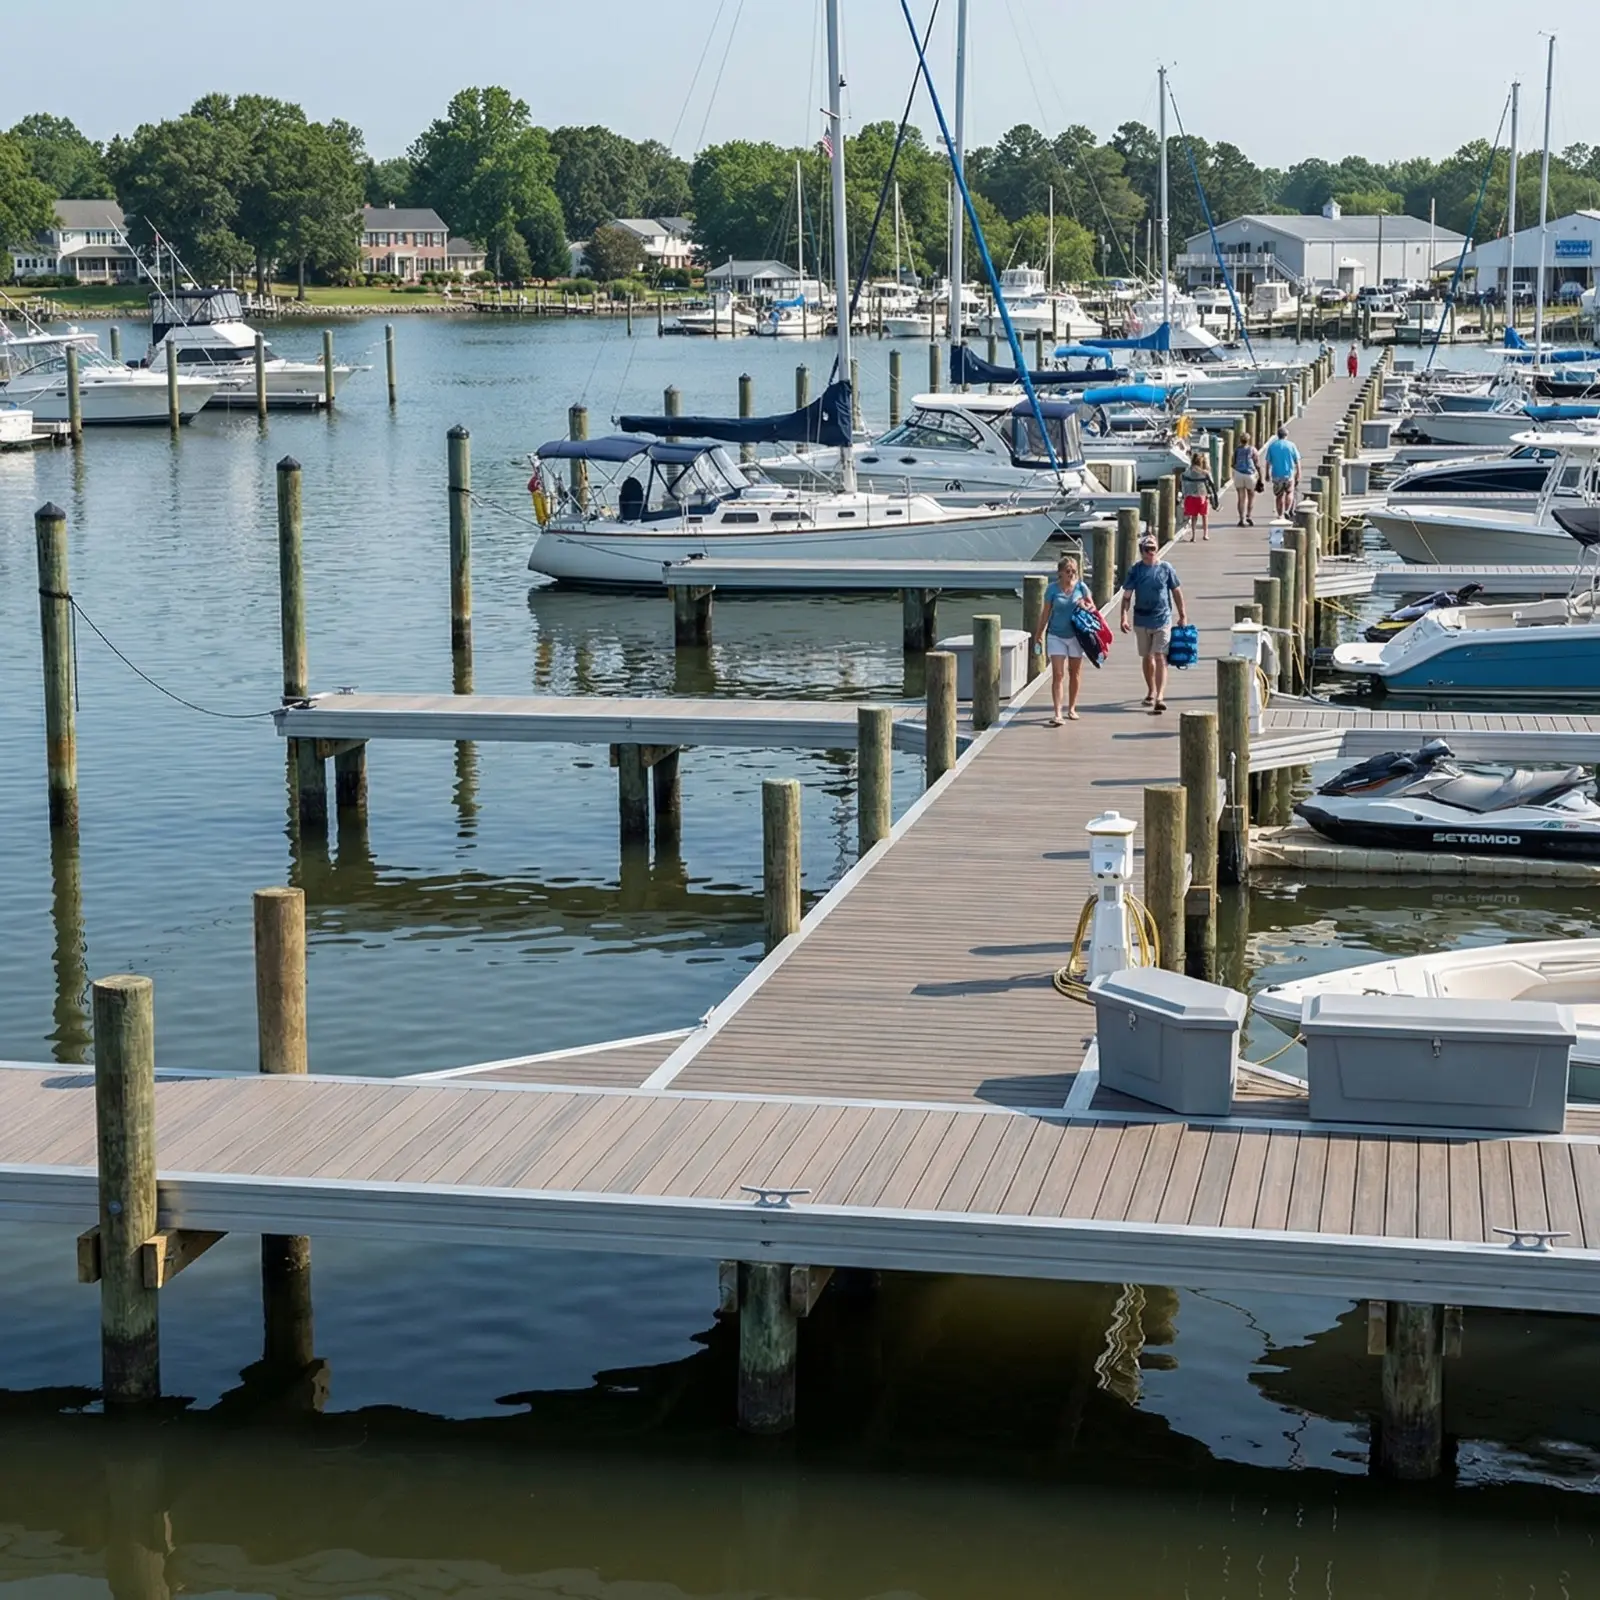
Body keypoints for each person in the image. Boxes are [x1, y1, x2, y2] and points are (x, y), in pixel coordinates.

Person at [1120, 533, 1187, 715]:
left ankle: (1160, 697)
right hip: (1141, 619)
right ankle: (1150, 690)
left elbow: (1176, 591)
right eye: (1147, 549)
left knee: (1159, 655)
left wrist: (1182, 615)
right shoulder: (1136, 570)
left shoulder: (1166, 568)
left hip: (1162, 618)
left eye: (1153, 549)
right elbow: (1127, 596)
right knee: (1146, 657)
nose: (1151, 552)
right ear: (1141, 551)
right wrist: (1123, 617)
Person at [1033, 553, 1093, 725]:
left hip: (1076, 635)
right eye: (1068, 571)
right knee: (1058, 674)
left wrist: (1084, 606)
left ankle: (1072, 708)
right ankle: (1057, 712)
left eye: (1074, 571)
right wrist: (1039, 634)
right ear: (1060, 573)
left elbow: (1092, 608)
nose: (1071, 574)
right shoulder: (1052, 589)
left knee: (1074, 672)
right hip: (1055, 635)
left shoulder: (1081, 587)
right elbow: (1045, 613)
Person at [1263, 423, 1301, 520]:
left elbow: (1268, 462)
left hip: (1276, 475)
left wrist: (1267, 474)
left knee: (1279, 495)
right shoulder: (1291, 445)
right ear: (1286, 435)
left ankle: (1280, 515)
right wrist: (1299, 473)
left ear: (1278, 435)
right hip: (1288, 474)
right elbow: (1297, 461)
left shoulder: (1272, 446)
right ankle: (1287, 510)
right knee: (1290, 492)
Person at [1180, 449, 1218, 541]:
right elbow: (1211, 485)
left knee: (1194, 517)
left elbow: (1183, 485)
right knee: (1205, 516)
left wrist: (1183, 497)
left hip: (1190, 498)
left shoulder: (1187, 473)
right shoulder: (1205, 473)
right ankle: (1205, 534)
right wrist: (1214, 500)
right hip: (1202, 497)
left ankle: (1193, 536)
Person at [1232, 432, 1262, 526]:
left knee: (1241, 498)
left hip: (1239, 474)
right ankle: (1249, 516)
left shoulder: (1237, 450)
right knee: (1251, 497)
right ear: (1249, 440)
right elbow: (1257, 464)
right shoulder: (1252, 449)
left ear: (1240, 440)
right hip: (1250, 475)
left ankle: (1241, 519)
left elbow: (1233, 463)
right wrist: (1260, 478)